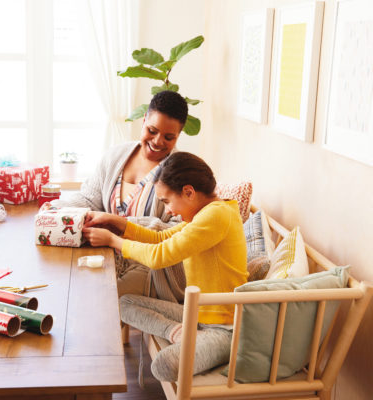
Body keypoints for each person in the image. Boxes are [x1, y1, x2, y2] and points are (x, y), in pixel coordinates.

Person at [82, 152, 248, 381]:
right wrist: (115, 222)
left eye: (167, 201)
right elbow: (160, 239)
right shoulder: (205, 213)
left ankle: (200, 342)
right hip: (197, 315)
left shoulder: (216, 216)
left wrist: (112, 240)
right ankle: (179, 333)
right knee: (125, 303)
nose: (168, 210)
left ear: (188, 192)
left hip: (225, 328)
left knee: (163, 366)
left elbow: (159, 256)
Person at [49, 90, 188, 302]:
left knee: (96, 300)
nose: (158, 141)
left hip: (149, 268)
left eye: (169, 137)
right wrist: (57, 207)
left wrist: (120, 224)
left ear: (179, 135)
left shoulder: (182, 172)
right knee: (63, 285)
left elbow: (178, 233)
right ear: (144, 120)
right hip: (105, 254)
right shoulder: (116, 156)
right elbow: (89, 199)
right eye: (152, 130)